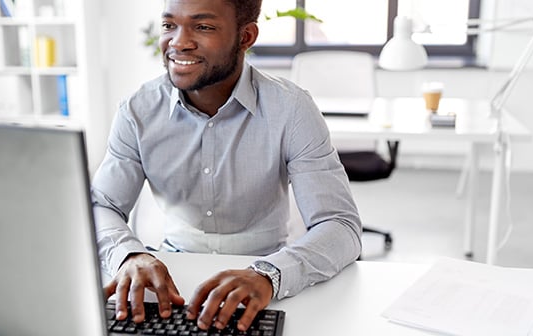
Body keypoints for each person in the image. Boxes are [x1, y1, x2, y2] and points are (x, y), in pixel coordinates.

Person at [91, 0, 362, 332]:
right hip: (173, 277)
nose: (178, 42)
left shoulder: (291, 109)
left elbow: (340, 225)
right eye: (169, 26)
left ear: (246, 37)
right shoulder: (137, 111)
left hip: (268, 278)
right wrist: (129, 256)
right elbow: (101, 205)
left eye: (203, 27)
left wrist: (269, 275)